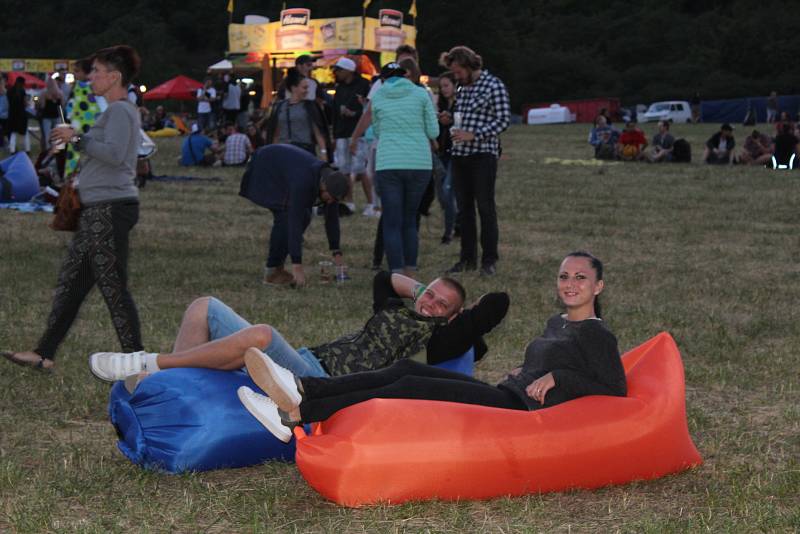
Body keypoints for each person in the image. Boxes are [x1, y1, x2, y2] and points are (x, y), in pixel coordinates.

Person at [237, 252, 626, 443]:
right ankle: (299, 390)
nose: (570, 283)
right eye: (564, 276)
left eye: (580, 277)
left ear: (598, 286)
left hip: (516, 411)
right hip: (508, 393)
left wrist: (559, 376)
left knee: (407, 387)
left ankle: (295, 413)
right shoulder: (556, 323)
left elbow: (614, 390)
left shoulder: (595, 332)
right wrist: (526, 373)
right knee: (403, 370)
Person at [88, 271, 510, 389]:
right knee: (204, 307)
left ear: (451, 317)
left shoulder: (436, 340)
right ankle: (174, 385)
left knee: (262, 335)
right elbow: (385, 277)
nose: (430, 303)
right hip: (308, 359)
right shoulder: (395, 309)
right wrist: (421, 289)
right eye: (431, 294)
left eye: (441, 304)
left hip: (322, 382)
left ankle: (151, 363)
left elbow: (498, 304)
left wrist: (462, 316)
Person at [2, 45, 144, 371]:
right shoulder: (113, 111)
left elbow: (116, 154)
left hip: (109, 208)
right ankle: (44, 352)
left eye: (96, 71)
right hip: (97, 208)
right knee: (72, 283)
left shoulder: (121, 110)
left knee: (112, 286)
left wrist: (77, 137)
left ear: (114, 76)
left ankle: (139, 360)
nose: (90, 77)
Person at [440, 46, 510, 276]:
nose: (456, 76)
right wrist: (449, 119)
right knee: (465, 210)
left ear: (469, 66)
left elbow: (503, 121)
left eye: (458, 71)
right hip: (460, 155)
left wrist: (475, 134)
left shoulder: (493, 85)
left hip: (483, 155)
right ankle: (467, 259)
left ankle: (489, 260)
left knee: (485, 207)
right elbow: (464, 115)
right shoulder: (462, 88)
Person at [239, 144, 350, 286]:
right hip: (265, 166)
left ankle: (277, 267)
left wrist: (337, 252)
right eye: (331, 198)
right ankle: (272, 272)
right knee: (285, 217)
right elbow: (294, 221)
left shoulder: (331, 183)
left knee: (305, 215)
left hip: (283, 168)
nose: (331, 202)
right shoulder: (304, 181)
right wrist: (297, 265)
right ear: (323, 186)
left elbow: (332, 219)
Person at [370, 61, 438, 275]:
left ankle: (396, 272)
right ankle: (411, 270)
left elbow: (378, 130)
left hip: (389, 162)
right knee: (410, 219)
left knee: (391, 221)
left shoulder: (379, 96)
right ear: (404, 75)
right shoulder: (420, 94)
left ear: (383, 79)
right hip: (419, 162)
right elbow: (434, 132)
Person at [331, 57, 372, 215]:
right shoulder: (339, 88)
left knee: (360, 169)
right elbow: (335, 111)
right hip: (342, 132)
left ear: (349, 70)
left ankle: (370, 202)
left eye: (339, 70)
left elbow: (368, 109)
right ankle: (349, 201)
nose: (336, 73)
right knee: (344, 169)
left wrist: (354, 113)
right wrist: (334, 134)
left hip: (358, 133)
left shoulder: (363, 85)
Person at [266, 67, 327, 158]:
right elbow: (275, 134)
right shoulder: (280, 107)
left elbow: (318, 133)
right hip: (284, 151)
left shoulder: (310, 106)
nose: (307, 91)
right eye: (304, 88)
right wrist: (273, 154)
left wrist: (323, 153)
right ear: (294, 88)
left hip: (305, 151)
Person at [65, 57, 105, 179]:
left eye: (77, 71)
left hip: (85, 130)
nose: (74, 74)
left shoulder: (83, 89)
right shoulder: (84, 89)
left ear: (87, 73)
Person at [435, 71, 459, 245]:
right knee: (443, 194)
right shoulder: (439, 105)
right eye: (441, 86)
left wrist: (450, 120)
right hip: (441, 152)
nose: (443, 89)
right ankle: (456, 222)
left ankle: (448, 232)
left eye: (446, 85)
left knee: (447, 190)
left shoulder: (460, 105)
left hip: (455, 153)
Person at [39, 76, 63, 151]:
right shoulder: (60, 93)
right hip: (57, 116)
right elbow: (62, 105)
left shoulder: (44, 93)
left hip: (47, 116)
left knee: (47, 134)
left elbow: (42, 106)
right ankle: (58, 148)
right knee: (57, 134)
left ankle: (48, 149)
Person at [7, 76, 30, 154]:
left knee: (13, 134)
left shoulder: (9, 91)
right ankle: (27, 149)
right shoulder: (22, 91)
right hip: (21, 115)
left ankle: (12, 150)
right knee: (25, 134)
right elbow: (25, 103)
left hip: (12, 115)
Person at [0, 75, 8, 148]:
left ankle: (4, 143)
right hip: (3, 114)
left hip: (5, 115)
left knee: (4, 130)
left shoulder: (7, 93)